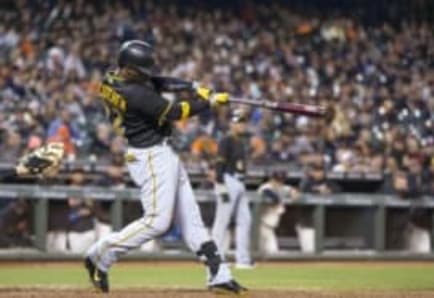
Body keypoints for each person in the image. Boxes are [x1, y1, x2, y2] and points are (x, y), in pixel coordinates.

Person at [84, 40, 246, 294]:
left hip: (159, 152)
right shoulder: (135, 95)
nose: (146, 74)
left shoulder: (112, 78)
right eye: (141, 70)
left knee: (192, 221)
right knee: (157, 222)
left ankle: (219, 274)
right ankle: (100, 254)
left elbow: (158, 81)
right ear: (129, 69)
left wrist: (194, 87)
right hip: (149, 156)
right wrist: (208, 102)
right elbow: (175, 112)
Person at [212, 109, 253, 269]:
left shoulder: (241, 141)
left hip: (240, 182)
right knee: (222, 221)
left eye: (243, 121)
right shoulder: (226, 140)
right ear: (231, 123)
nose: (241, 124)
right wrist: (220, 183)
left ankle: (242, 259)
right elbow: (219, 163)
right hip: (228, 180)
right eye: (238, 121)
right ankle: (216, 259)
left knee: (245, 220)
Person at [257, 170, 299, 254]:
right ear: (271, 179)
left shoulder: (282, 187)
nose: (279, 182)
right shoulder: (265, 187)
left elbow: (292, 190)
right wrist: (279, 200)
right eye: (277, 180)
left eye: (281, 180)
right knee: (271, 251)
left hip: (268, 226)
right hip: (260, 225)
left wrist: (294, 192)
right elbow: (268, 193)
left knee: (266, 252)